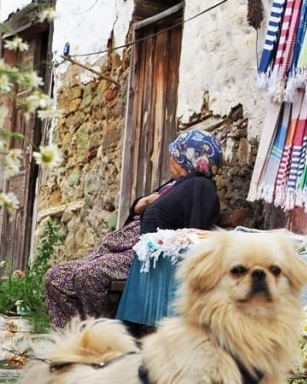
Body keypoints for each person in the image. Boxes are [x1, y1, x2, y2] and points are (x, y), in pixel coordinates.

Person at [44, 129, 223, 329]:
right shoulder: (174, 184)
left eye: (175, 153)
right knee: (56, 277)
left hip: (141, 254)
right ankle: (71, 340)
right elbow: (143, 209)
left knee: (88, 276)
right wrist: (143, 203)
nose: (170, 157)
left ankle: (105, 340)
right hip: (118, 246)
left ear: (186, 158)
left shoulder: (200, 187)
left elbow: (194, 233)